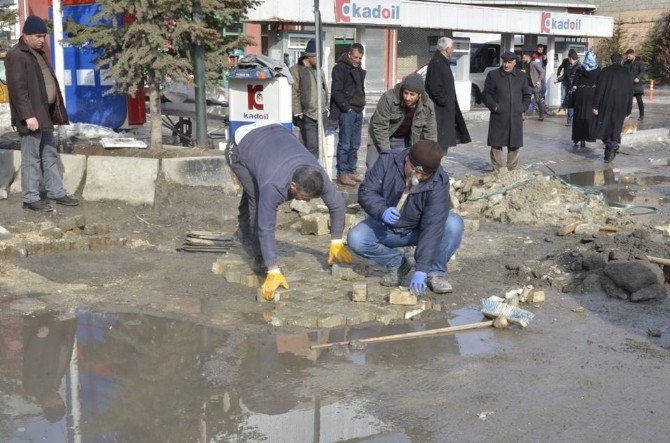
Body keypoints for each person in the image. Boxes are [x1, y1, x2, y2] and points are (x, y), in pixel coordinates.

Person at [226, 122, 353, 301]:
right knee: (257, 199)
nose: (306, 202)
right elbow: (266, 226)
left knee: (256, 190)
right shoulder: (273, 185)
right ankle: (259, 256)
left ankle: (243, 231)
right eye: (304, 197)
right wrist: (274, 269)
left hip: (274, 133)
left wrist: (336, 241)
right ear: (293, 185)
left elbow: (337, 204)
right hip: (239, 146)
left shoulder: (317, 175)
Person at [347, 140, 464, 295]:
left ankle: (434, 273)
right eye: (416, 171)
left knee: (453, 224)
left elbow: (432, 227)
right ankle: (398, 264)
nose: (420, 177)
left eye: (425, 174)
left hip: (417, 230)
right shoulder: (388, 161)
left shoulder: (438, 181)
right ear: (408, 158)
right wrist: (382, 210)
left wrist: (422, 268)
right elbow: (366, 191)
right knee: (357, 238)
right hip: (385, 227)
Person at [5, 16, 79, 212]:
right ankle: (30, 197)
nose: (42, 40)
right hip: (31, 117)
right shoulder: (16, 55)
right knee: (31, 158)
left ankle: (55, 191)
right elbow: (18, 90)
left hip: (44, 114)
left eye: (44, 36)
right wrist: (28, 116)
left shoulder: (37, 53)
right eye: (38, 36)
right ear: (26, 35)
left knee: (49, 154)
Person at [366, 73, 437, 169]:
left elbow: (430, 132)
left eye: (412, 94)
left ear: (419, 95)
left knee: (400, 170)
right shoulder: (389, 98)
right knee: (373, 168)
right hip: (378, 138)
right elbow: (379, 126)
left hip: (403, 140)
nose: (408, 97)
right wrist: (387, 153)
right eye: (406, 93)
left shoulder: (427, 105)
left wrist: (430, 154)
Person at [482, 51, 531, 171]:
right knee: (496, 144)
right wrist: (495, 107)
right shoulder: (493, 75)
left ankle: (512, 170)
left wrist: (522, 107)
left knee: (514, 144)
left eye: (509, 62)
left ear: (515, 63)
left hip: (515, 116)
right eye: (505, 62)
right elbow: (486, 95)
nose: (506, 65)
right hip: (499, 116)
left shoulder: (521, 76)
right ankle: (497, 170)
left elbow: (527, 95)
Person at [425, 37, 471, 155]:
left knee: (442, 144)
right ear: (448, 48)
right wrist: (444, 101)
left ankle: (438, 168)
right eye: (452, 47)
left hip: (444, 110)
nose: (453, 50)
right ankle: (435, 169)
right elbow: (434, 87)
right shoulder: (437, 62)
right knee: (437, 144)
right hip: (440, 111)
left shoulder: (441, 61)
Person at [329, 43, 366, 186]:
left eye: (360, 57)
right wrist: (346, 108)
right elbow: (336, 91)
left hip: (358, 110)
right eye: (355, 57)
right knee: (345, 143)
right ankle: (342, 173)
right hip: (348, 111)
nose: (357, 60)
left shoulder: (357, 68)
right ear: (350, 54)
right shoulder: (340, 68)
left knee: (355, 144)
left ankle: (352, 170)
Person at [289, 38, 329, 158]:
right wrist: (298, 112)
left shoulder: (319, 70)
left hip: (321, 114)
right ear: (309, 56)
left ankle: (317, 170)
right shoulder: (296, 70)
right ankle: (310, 172)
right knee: (310, 147)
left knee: (320, 147)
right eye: (317, 56)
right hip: (307, 116)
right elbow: (294, 92)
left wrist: (326, 107)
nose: (319, 59)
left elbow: (324, 89)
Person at [592, 53, 634, 163]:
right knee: (615, 129)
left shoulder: (605, 71)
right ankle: (608, 155)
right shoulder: (627, 73)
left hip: (607, 103)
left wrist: (595, 105)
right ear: (621, 61)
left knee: (604, 128)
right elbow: (630, 92)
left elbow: (599, 90)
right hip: (622, 105)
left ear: (611, 60)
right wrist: (629, 109)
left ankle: (613, 145)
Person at [571, 51, 600, 148]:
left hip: (581, 95)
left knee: (579, 115)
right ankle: (589, 136)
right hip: (592, 95)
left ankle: (578, 137)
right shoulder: (598, 70)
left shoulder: (580, 68)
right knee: (589, 116)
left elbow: (575, 83)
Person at [555, 49, 580, 126]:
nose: (569, 61)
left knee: (575, 104)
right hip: (569, 87)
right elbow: (566, 75)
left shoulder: (579, 66)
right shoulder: (568, 64)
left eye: (569, 59)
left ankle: (575, 119)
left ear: (571, 58)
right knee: (570, 104)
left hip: (576, 88)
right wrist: (558, 79)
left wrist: (576, 86)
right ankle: (569, 121)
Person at [521, 52, 546, 121]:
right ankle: (522, 115)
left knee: (538, 100)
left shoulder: (533, 63)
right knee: (525, 99)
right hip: (528, 85)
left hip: (535, 85)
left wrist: (539, 80)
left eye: (523, 57)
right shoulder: (526, 64)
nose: (522, 58)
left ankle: (541, 115)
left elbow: (542, 71)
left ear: (527, 56)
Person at [623, 48, 645, 121]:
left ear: (633, 54)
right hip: (628, 85)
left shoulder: (639, 62)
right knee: (628, 101)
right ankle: (627, 114)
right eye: (627, 56)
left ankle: (641, 115)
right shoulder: (626, 63)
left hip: (637, 85)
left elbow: (642, 71)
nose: (627, 57)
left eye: (629, 56)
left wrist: (638, 78)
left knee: (639, 100)